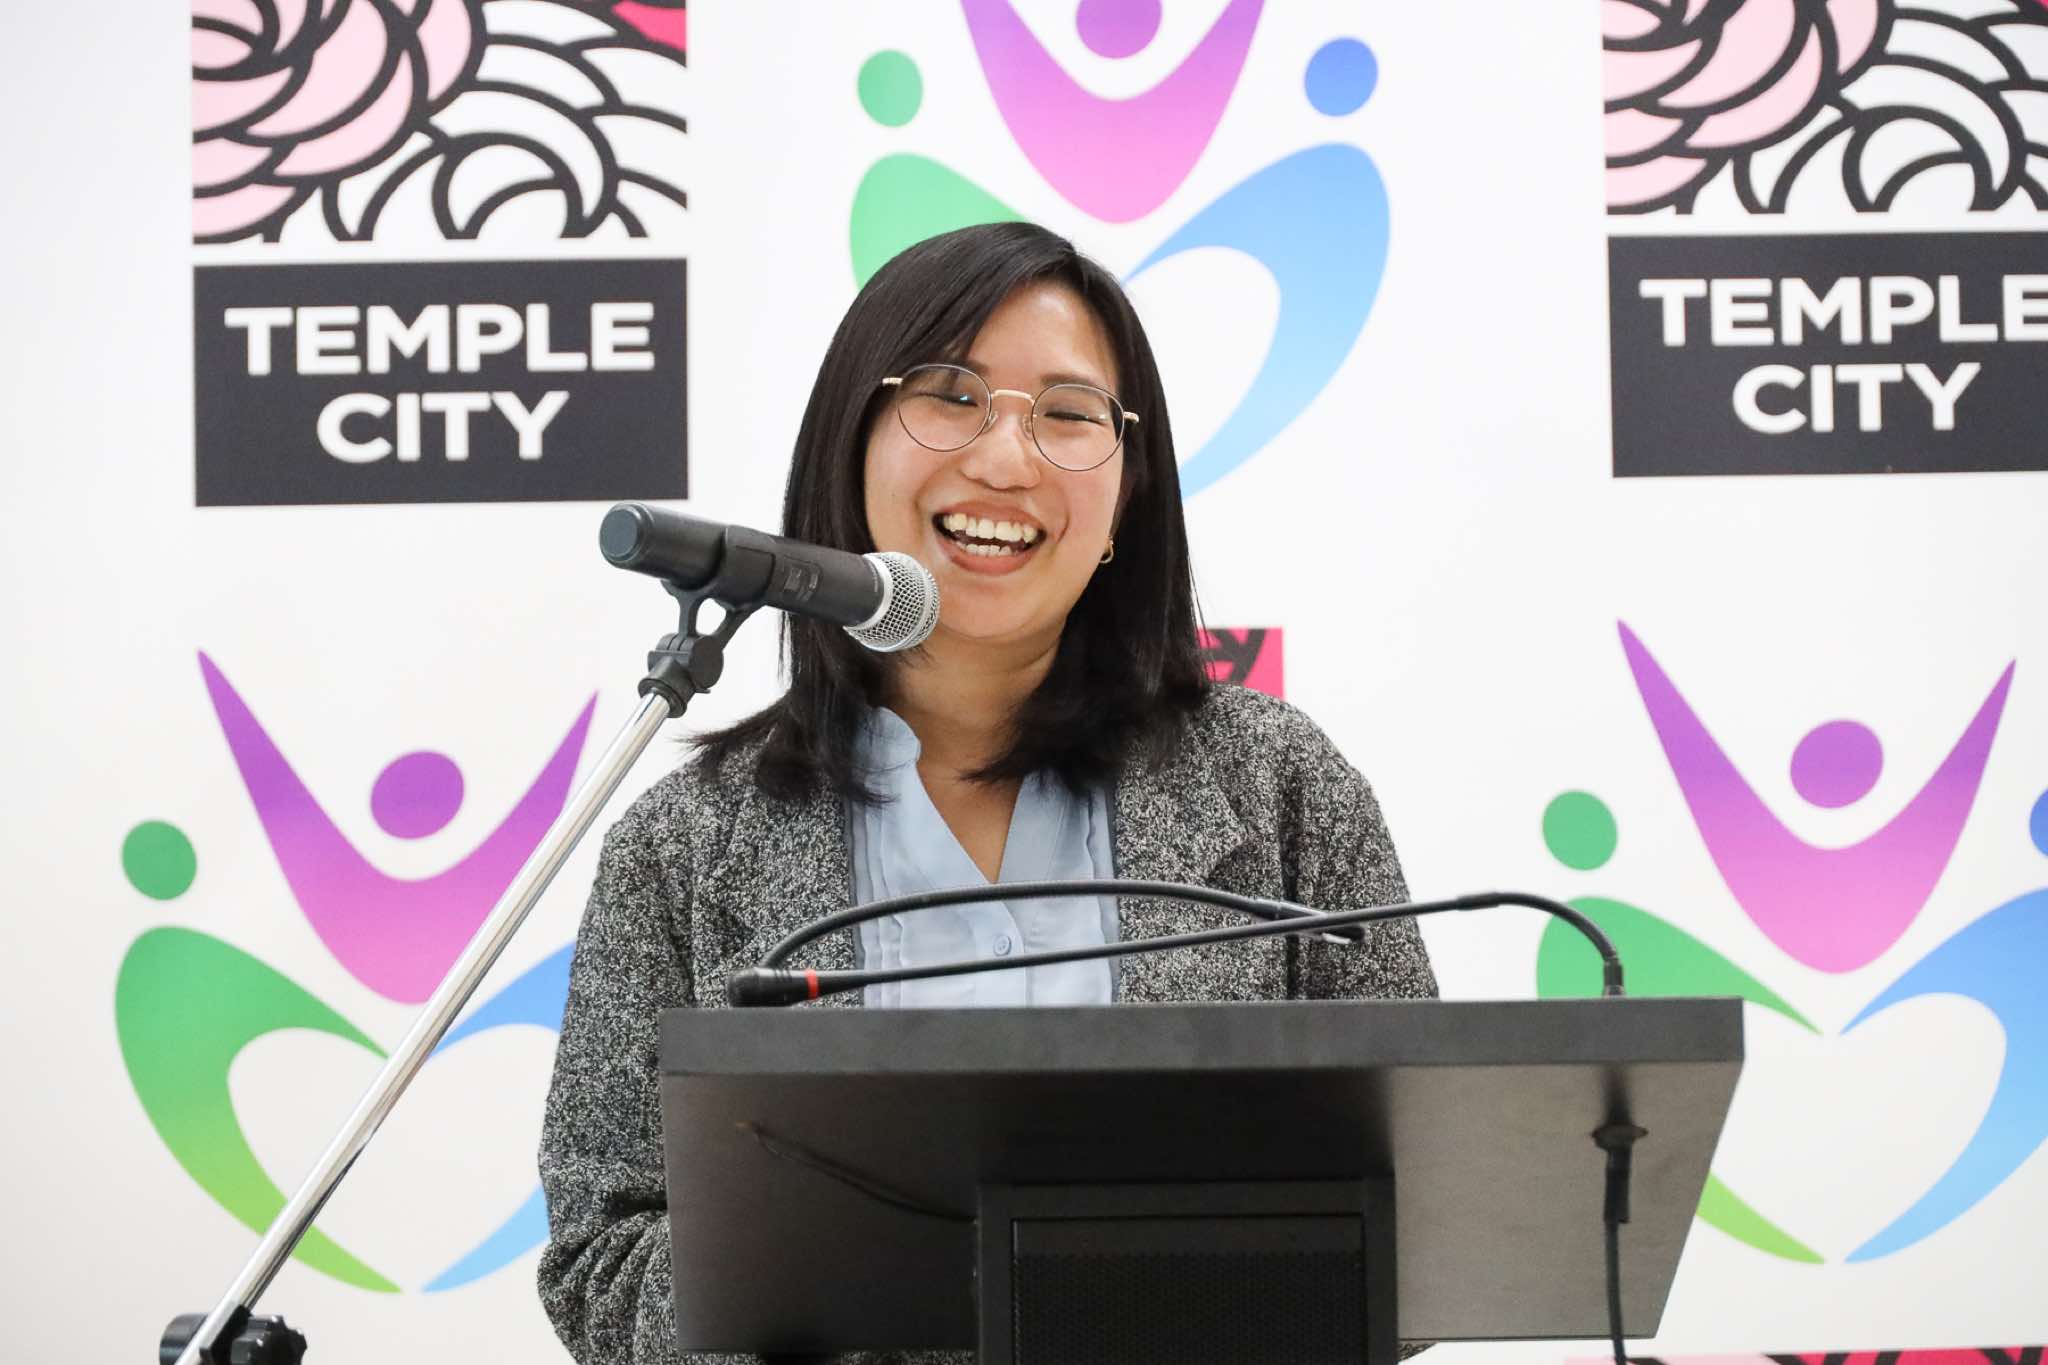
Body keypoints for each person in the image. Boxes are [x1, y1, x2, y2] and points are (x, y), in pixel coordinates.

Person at [537, 222, 1438, 1364]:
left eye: (1068, 414)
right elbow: (602, 1261)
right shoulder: (682, 845)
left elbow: (1417, 1218)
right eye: (951, 396)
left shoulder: (1285, 792)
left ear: (1126, 493)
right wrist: (855, 1262)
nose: (1006, 460)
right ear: (851, 444)